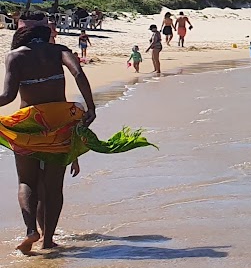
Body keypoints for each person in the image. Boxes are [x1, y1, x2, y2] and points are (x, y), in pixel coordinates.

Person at [0, 19, 154, 253]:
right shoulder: (59, 51)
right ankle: (48, 239)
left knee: (27, 181)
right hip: (60, 121)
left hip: (30, 123)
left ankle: (31, 230)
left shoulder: (15, 56)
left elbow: (8, 96)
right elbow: (79, 73)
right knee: (53, 186)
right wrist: (90, 108)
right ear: (46, 36)